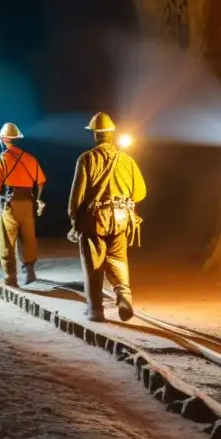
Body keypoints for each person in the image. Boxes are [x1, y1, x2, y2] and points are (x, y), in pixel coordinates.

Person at [68, 112, 146, 323]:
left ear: (95, 135)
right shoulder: (127, 160)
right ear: (111, 134)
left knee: (93, 263)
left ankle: (95, 310)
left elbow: (76, 198)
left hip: (94, 220)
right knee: (118, 260)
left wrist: (75, 222)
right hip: (121, 220)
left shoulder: (86, 159)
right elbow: (140, 193)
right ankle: (124, 296)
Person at [0, 122, 46, 286]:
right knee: (28, 238)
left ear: (5, 140)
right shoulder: (30, 159)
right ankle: (29, 272)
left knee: (7, 241)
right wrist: (37, 199)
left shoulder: (0, 160)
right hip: (28, 204)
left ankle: (10, 277)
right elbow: (41, 182)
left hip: (10, 204)